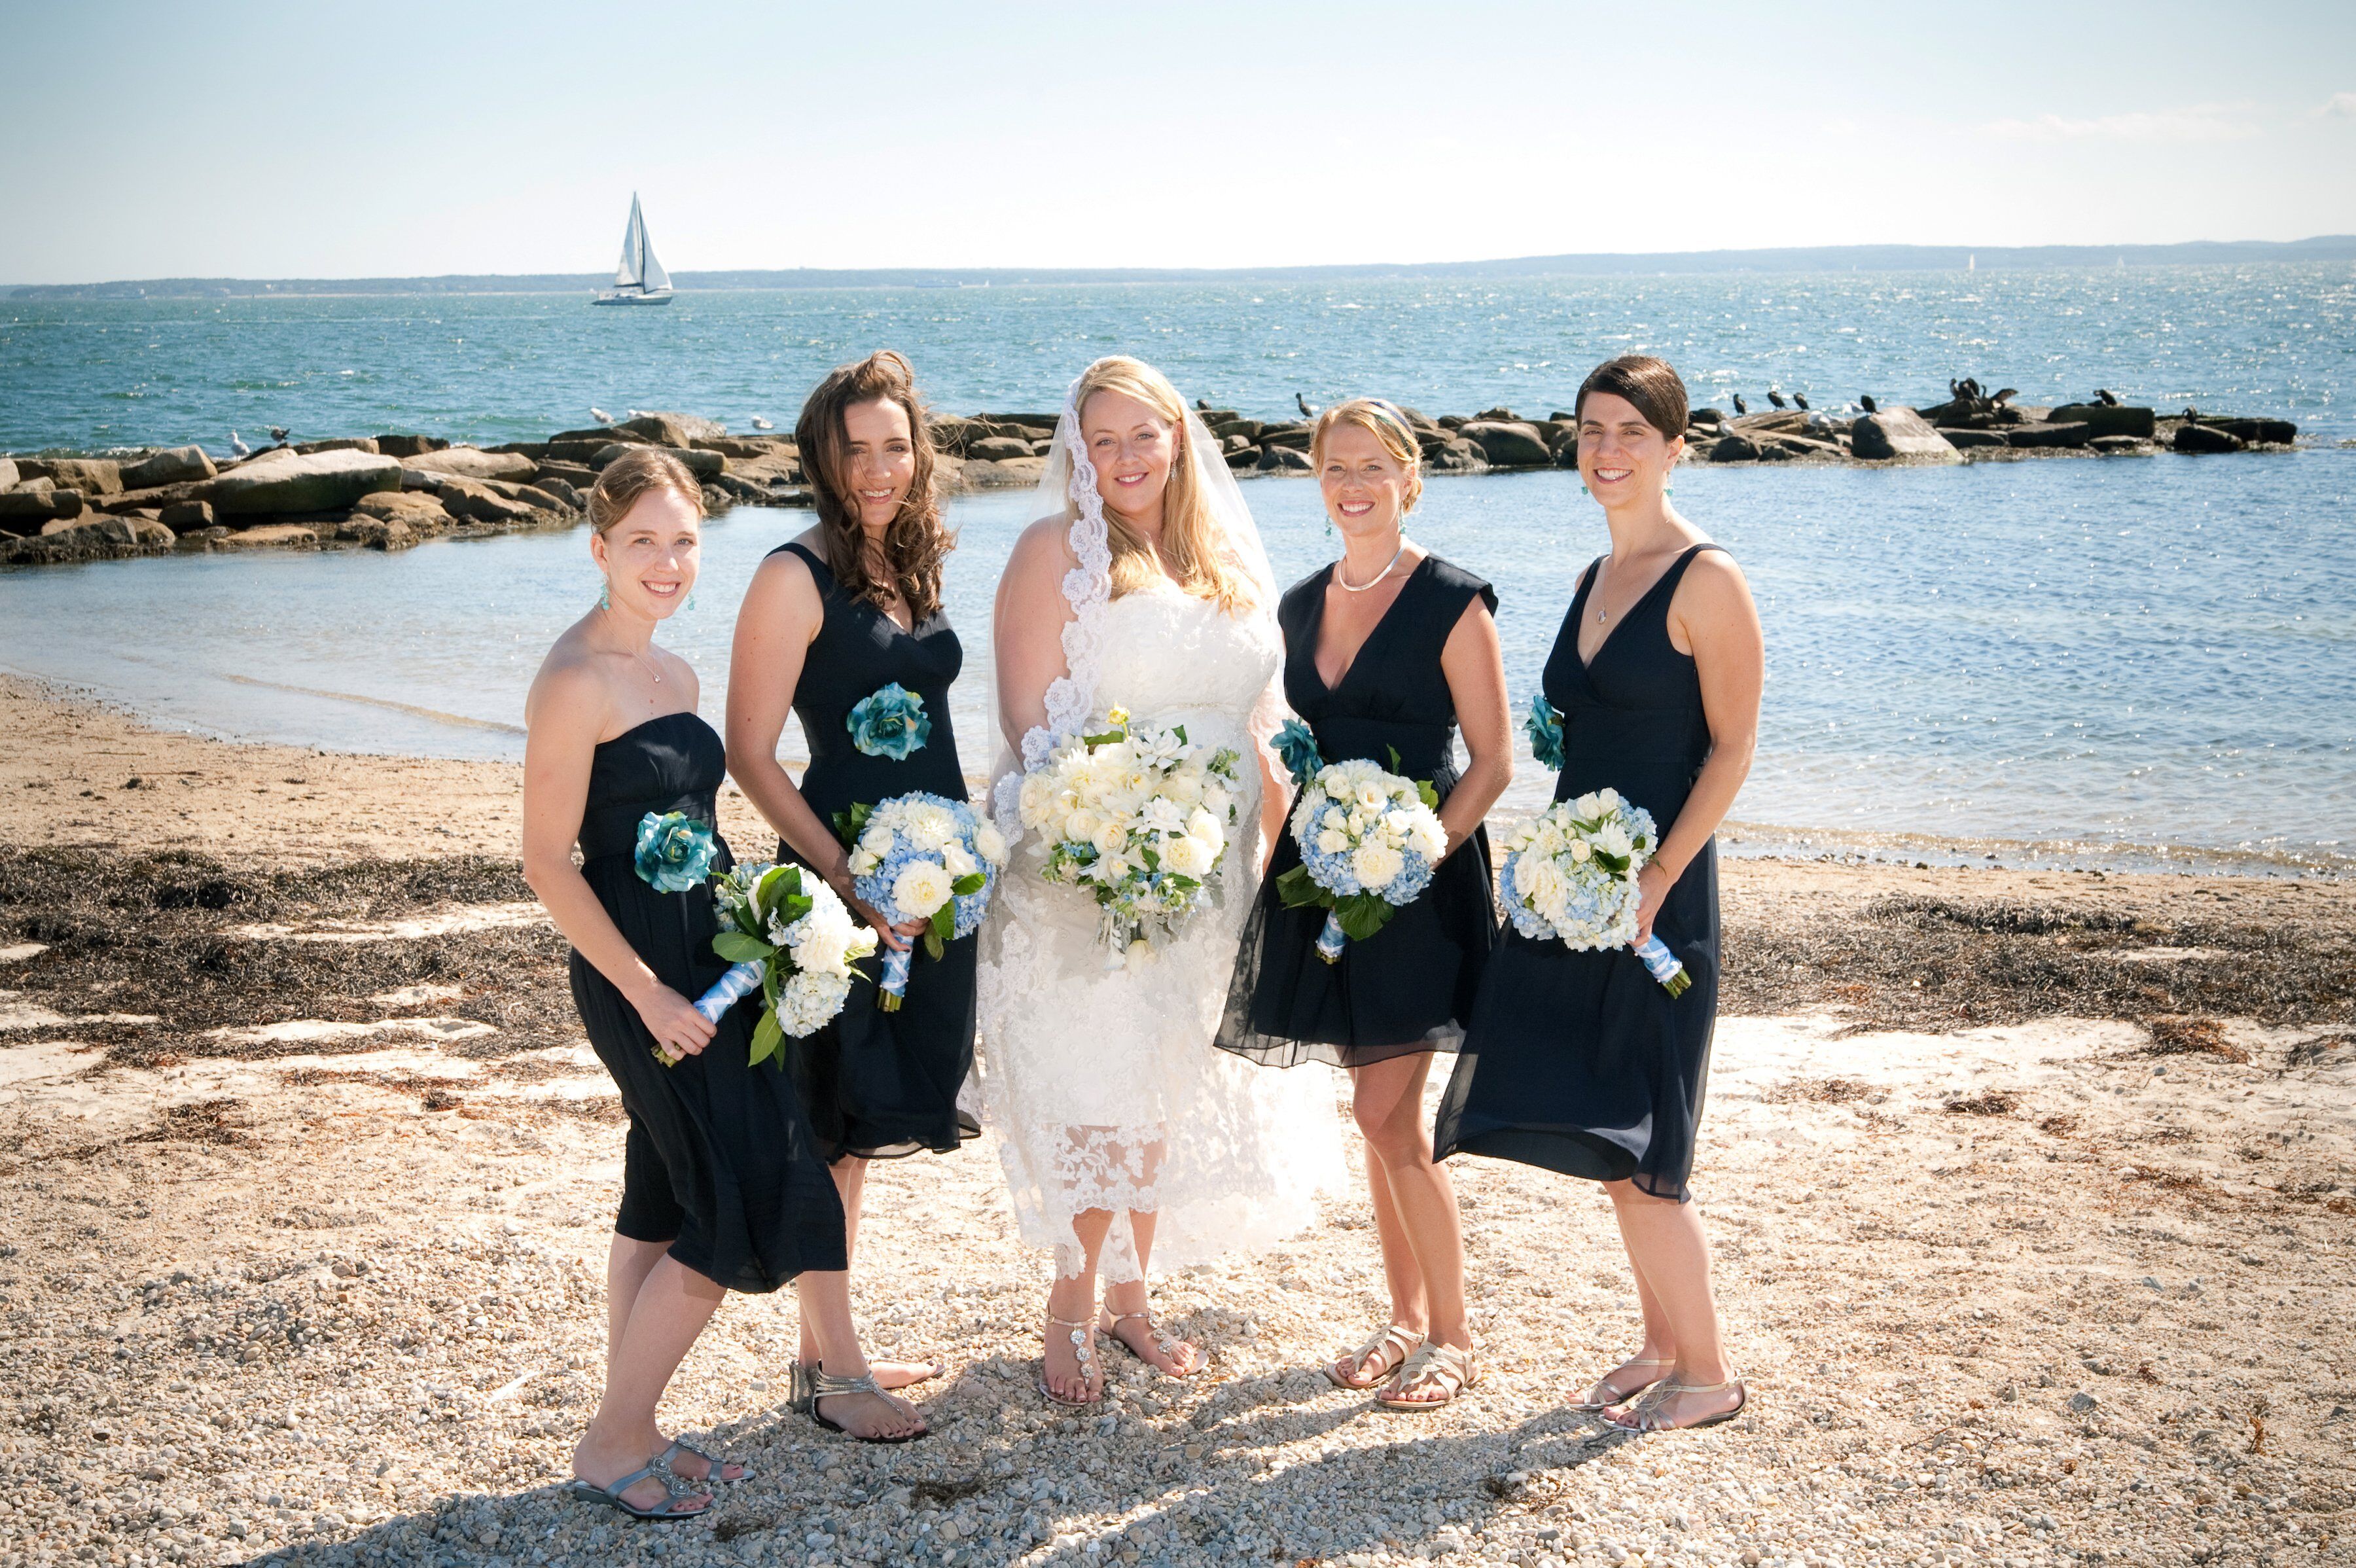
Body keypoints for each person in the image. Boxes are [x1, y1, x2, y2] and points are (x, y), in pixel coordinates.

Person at [521, 450, 897, 1519]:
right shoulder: (575, 680)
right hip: (643, 976)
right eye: (643, 541)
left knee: (662, 1187)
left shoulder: (675, 674)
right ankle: (611, 1441)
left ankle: (630, 1423)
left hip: (714, 966)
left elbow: (698, 830)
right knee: (738, 1194)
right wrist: (645, 993)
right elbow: (548, 860)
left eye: (683, 541)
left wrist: (770, 932)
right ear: (598, 549)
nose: (667, 562)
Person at [977, 355, 1346, 1405]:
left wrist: (1294, 859)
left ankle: (1132, 1305)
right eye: (1105, 440)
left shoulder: (1221, 551)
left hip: (1213, 872)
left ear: (1179, 436)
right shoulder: (1054, 550)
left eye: (1145, 434)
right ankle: (1069, 1311)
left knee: (1163, 1090)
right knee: (1101, 1094)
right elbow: (1027, 719)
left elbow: (1264, 723)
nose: (1127, 457)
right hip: (1096, 867)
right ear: (1079, 451)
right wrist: (1111, 832)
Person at [1435, 355, 1764, 1433]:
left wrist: (1658, 877)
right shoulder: (1593, 576)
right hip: (1582, 889)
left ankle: (1707, 1374)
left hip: (1656, 901)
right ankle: (1662, 1343)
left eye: (1630, 432)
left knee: (1643, 1139)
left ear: (1677, 447)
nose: (1606, 452)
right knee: (1611, 1128)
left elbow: (1732, 751)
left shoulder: (1706, 578)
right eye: (1589, 431)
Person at [1215, 399, 1509, 1410]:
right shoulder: (1298, 607)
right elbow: (1290, 749)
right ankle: (1407, 1319)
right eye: (1337, 466)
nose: (1354, 484)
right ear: (1317, 479)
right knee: (1377, 1111)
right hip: (1328, 877)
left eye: (1374, 466)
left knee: (1386, 1114)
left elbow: (1494, 761)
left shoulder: (1453, 600)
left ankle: (1456, 1337)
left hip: (1421, 883)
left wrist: (1418, 853)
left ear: (1409, 476)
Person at [726, 351, 972, 1414]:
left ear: (919, 455)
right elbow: (749, 750)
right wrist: (841, 878)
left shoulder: (907, 562)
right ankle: (842, 1377)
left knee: (860, 1125)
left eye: (895, 447)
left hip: (923, 887)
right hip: (841, 892)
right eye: (855, 450)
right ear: (822, 458)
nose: (877, 470)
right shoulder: (795, 573)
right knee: (828, 1125)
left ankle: (821, 1354)